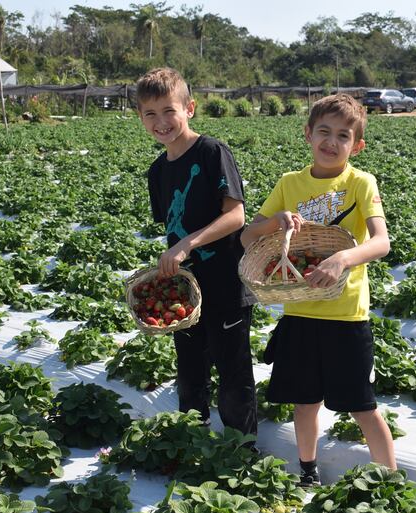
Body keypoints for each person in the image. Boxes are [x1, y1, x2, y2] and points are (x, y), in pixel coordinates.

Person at [240, 93, 396, 486]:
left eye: (343, 136)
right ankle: (307, 471)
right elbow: (247, 237)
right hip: (300, 313)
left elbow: (381, 242)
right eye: (324, 131)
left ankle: (390, 483)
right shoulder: (289, 183)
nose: (332, 141)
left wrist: (343, 258)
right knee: (305, 403)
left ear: (357, 146)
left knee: (363, 407)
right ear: (307, 134)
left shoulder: (360, 183)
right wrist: (276, 221)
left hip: (346, 315)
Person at [135, 68, 258, 440]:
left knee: (233, 372)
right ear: (141, 117)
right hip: (186, 290)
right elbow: (174, 225)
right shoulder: (158, 171)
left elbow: (235, 215)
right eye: (150, 114)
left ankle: (241, 451)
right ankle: (193, 441)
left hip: (225, 283)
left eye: (169, 111)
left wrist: (187, 244)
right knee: (190, 371)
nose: (161, 122)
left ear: (189, 109)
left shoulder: (211, 152)